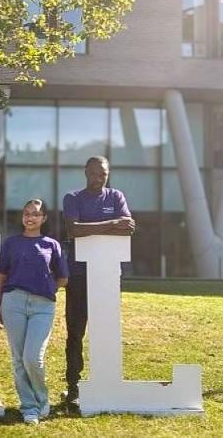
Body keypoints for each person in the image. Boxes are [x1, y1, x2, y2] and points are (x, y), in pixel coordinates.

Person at [62, 156, 135, 410]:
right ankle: (73, 386)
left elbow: (128, 229)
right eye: (93, 173)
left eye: (102, 174)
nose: (98, 178)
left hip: (107, 274)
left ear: (108, 174)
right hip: (79, 275)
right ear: (85, 172)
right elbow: (73, 230)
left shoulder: (115, 197)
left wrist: (93, 227)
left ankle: (104, 384)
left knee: (106, 331)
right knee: (76, 332)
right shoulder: (73, 198)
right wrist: (113, 223)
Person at [0, 199, 69, 425]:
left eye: (35, 214)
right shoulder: (11, 244)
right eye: (26, 213)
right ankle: (29, 408)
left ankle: (41, 398)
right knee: (18, 359)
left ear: (44, 218)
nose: (30, 217)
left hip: (42, 307)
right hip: (12, 302)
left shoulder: (52, 244)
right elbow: (0, 277)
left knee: (32, 358)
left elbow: (62, 277)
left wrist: (47, 288)